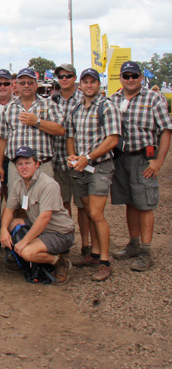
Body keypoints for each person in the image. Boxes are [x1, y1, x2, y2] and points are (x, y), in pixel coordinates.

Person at [110, 61, 172, 271]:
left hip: (143, 158)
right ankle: (133, 244)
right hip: (120, 158)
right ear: (120, 78)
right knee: (130, 202)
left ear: (140, 78)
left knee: (145, 204)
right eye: (126, 76)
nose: (130, 79)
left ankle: (146, 251)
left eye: (134, 75)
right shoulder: (114, 99)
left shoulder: (153, 98)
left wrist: (158, 161)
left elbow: (166, 130)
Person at [66, 68, 121, 281]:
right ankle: (96, 253)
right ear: (81, 85)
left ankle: (105, 261)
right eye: (85, 82)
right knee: (88, 211)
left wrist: (87, 157)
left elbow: (112, 139)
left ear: (99, 84)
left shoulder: (107, 107)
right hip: (81, 167)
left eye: (92, 82)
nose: (89, 85)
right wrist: (72, 155)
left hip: (99, 167)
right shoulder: (77, 109)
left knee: (97, 214)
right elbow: (71, 135)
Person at [0, 146, 75, 285]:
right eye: (20, 164)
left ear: (37, 164)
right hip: (39, 227)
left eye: (28, 163)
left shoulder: (48, 184)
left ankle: (59, 262)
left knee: (27, 252)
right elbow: (9, 209)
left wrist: (24, 241)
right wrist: (3, 229)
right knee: (11, 223)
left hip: (59, 232)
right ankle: (18, 256)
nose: (23, 167)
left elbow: (44, 218)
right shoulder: (18, 183)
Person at [0, 68, 65, 191]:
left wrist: (37, 122)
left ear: (36, 85)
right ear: (16, 85)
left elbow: (60, 130)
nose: (26, 86)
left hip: (42, 165)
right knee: (16, 205)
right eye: (22, 83)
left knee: (45, 204)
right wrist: (0, 166)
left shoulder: (48, 105)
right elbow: (2, 138)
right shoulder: (9, 108)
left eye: (30, 82)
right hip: (16, 167)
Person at [50, 64, 91, 257]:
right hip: (58, 159)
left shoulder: (84, 99)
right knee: (63, 204)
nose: (64, 79)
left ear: (75, 78)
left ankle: (86, 243)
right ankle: (67, 242)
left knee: (84, 205)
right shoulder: (52, 100)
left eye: (68, 76)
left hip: (80, 160)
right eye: (61, 76)